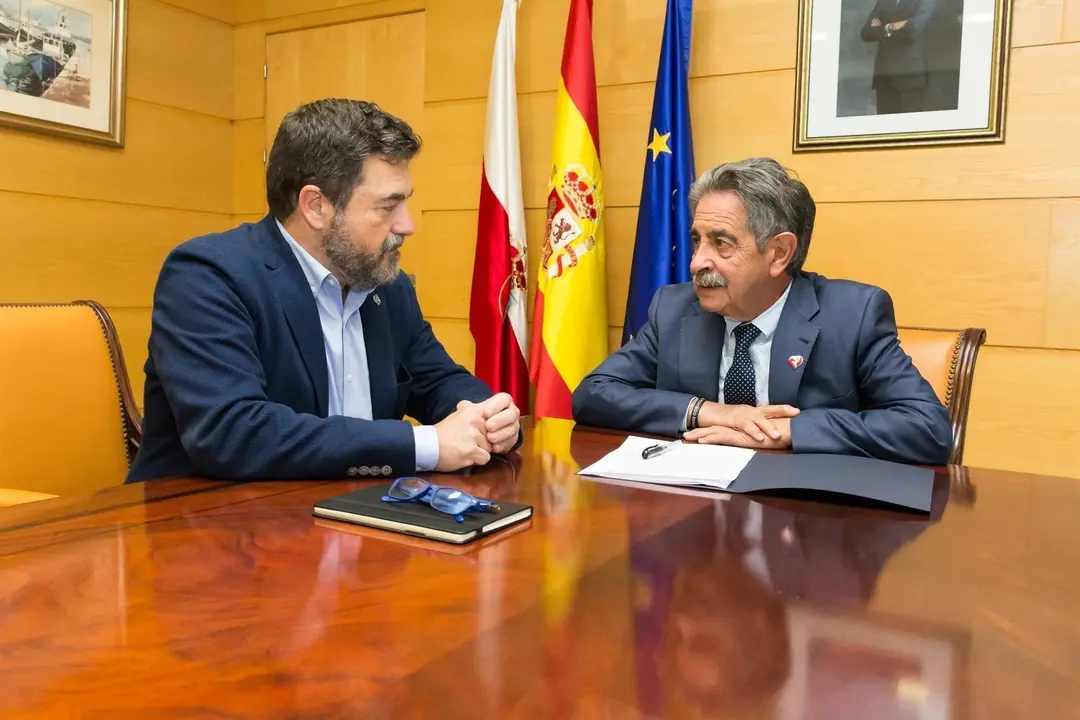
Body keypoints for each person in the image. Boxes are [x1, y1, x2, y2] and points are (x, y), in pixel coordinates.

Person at [126, 99, 521, 483]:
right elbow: (233, 433)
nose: (407, 225)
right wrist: (427, 443)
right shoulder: (209, 276)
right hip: (207, 528)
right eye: (388, 206)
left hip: (347, 522)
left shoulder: (388, 286)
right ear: (316, 206)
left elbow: (438, 381)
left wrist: (489, 417)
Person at [571, 157, 952, 465]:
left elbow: (927, 429)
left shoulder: (852, 314)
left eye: (721, 243)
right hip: (695, 522)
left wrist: (791, 431)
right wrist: (709, 411)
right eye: (697, 241)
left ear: (780, 253)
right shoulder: (674, 308)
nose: (696, 263)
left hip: (808, 528)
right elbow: (593, 395)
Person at [859, 0, 939, 114]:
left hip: (909, 75)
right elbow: (866, 33)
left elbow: (910, 31)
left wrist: (882, 28)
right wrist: (892, 26)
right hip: (884, 75)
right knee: (885, 127)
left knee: (910, 127)